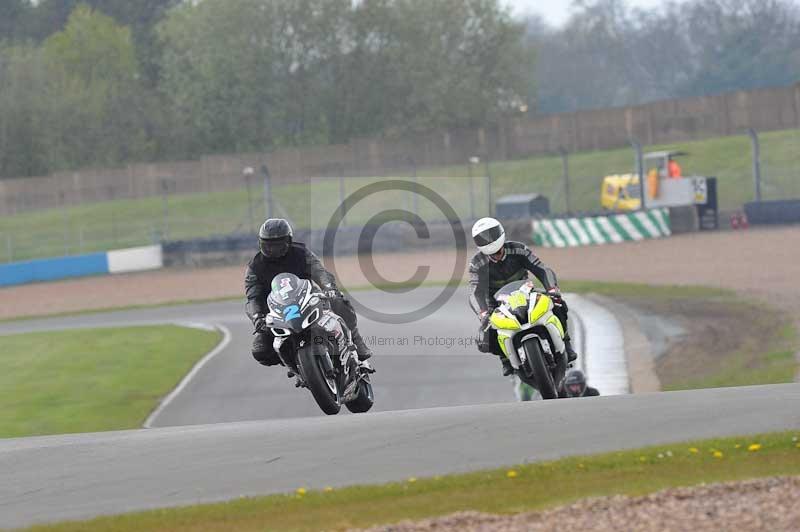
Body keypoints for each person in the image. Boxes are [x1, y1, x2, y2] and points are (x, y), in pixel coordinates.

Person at [245, 218, 373, 369]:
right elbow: (253, 297)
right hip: (277, 312)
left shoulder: (300, 254)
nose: (273, 250)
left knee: (338, 302)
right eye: (268, 246)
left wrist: (329, 288)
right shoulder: (255, 267)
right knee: (260, 350)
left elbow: (319, 272)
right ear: (261, 244)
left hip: (307, 300)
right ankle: (296, 363)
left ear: (289, 241)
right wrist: (257, 317)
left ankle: (356, 341)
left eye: (279, 245)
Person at [468, 217, 578, 376]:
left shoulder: (519, 249)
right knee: (486, 335)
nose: (497, 256)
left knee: (559, 304)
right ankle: (505, 359)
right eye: (493, 254)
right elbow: (474, 292)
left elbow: (542, 269)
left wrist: (552, 289)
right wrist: (483, 313)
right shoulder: (476, 263)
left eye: (498, 252)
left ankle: (566, 343)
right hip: (496, 305)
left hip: (527, 293)